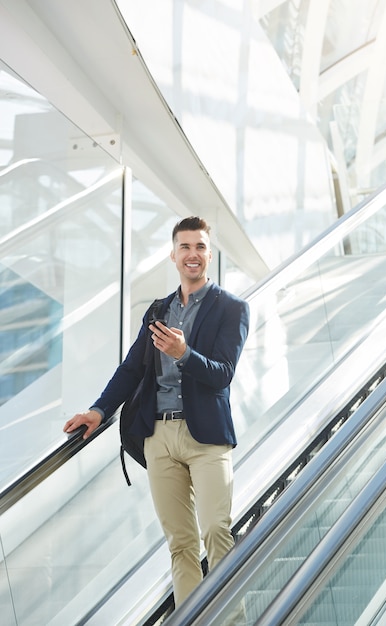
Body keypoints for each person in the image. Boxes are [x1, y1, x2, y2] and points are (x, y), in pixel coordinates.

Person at [63, 216, 250, 607]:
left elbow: (223, 375)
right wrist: (98, 411)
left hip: (208, 438)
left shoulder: (232, 309)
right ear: (174, 255)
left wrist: (184, 354)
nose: (192, 254)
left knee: (216, 529)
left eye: (199, 247)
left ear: (209, 255)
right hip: (159, 438)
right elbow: (132, 368)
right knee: (180, 543)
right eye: (185, 247)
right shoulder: (158, 311)